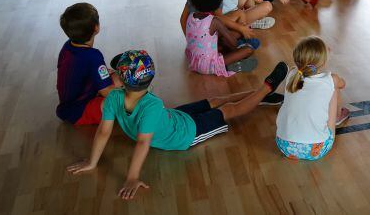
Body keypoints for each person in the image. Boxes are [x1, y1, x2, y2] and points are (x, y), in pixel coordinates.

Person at [67, 50, 287, 200]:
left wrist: (94, 163)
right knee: (228, 110)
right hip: (185, 134)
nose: (112, 74)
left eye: (116, 72)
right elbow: (137, 141)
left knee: (215, 101)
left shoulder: (114, 98)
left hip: (173, 118)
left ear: (122, 81)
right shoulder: (149, 104)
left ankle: (259, 95)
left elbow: (109, 133)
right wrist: (128, 176)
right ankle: (266, 88)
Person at [275, 36, 350, 160]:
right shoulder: (331, 79)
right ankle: (337, 116)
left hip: (284, 146)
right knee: (334, 88)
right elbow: (343, 84)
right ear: (323, 61)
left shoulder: (292, 74)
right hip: (316, 149)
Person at [56, 3, 122, 125]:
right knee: (119, 103)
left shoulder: (67, 46)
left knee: (119, 78)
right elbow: (106, 91)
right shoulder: (93, 56)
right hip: (79, 111)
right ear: (96, 28)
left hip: (75, 100)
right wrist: (130, 90)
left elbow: (81, 71)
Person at [185, 0, 259, 75]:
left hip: (192, 59)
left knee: (223, 42)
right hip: (207, 66)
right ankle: (229, 66)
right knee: (248, 50)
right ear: (217, 2)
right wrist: (239, 42)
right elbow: (233, 44)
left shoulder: (191, 17)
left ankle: (226, 59)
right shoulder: (215, 21)